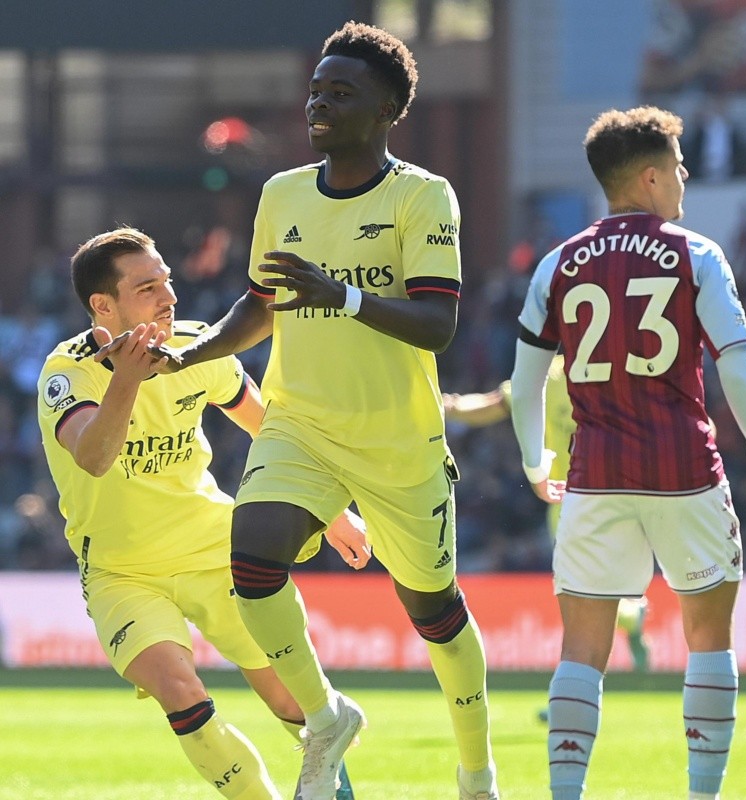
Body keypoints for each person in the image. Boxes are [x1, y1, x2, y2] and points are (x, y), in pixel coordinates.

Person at [114, 21, 499, 800]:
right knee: (253, 558)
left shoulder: (423, 197)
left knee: (435, 614)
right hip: (301, 424)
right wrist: (193, 354)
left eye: (342, 91)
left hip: (397, 439)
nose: (320, 102)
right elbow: (259, 308)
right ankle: (325, 722)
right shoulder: (282, 194)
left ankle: (476, 770)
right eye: (317, 89)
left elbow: (438, 323)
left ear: (389, 107)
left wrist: (342, 294)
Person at [508, 106, 746, 800]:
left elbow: (524, 384)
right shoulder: (697, 254)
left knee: (581, 649)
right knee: (708, 639)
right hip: (685, 472)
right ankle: (702, 795)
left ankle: (566, 795)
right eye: (676, 166)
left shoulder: (557, 263)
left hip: (595, 474)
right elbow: (737, 362)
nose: (685, 177)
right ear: (648, 175)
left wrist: (532, 461)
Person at [37, 227, 370, 800]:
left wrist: (335, 511)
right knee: (179, 688)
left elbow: (270, 427)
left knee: (294, 702)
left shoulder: (198, 348)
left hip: (215, 550)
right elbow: (93, 458)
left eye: (166, 279)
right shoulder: (67, 374)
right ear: (103, 306)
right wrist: (128, 378)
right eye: (147, 287)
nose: (169, 295)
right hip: (123, 573)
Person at [444, 362, 651, 674]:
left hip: (609, 499)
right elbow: (497, 403)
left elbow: (494, 405)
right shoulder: (558, 374)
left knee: (584, 600)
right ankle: (630, 620)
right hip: (570, 502)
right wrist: (453, 406)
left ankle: (570, 696)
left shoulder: (603, 369)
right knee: (582, 598)